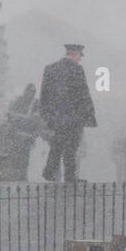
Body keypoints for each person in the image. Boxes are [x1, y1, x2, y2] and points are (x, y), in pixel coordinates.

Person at [40, 43, 97, 182]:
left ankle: (49, 170)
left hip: (56, 116)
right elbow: (83, 93)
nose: (80, 59)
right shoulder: (77, 69)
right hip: (73, 115)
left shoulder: (50, 68)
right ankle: (70, 175)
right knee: (71, 146)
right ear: (75, 54)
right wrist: (89, 114)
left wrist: (46, 114)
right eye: (79, 56)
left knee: (57, 143)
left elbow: (44, 93)